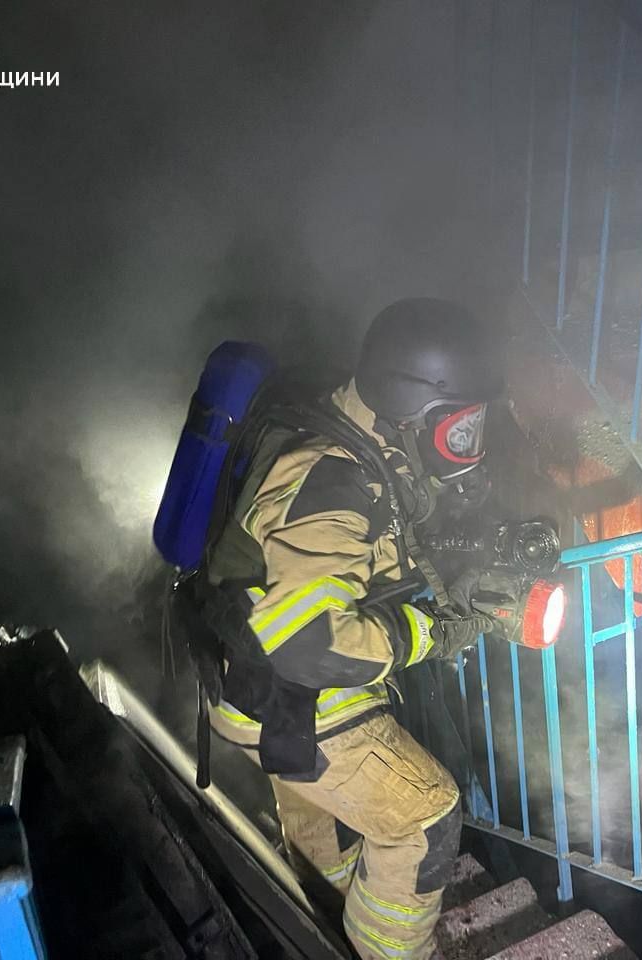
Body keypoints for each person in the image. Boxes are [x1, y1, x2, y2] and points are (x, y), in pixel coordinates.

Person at [197, 298, 501, 960]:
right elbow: (313, 644)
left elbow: (365, 553)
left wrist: (457, 581)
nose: (469, 452)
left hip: (247, 681)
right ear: (411, 411)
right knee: (424, 816)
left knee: (321, 822)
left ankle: (328, 913)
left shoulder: (358, 438)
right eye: (460, 431)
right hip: (286, 692)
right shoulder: (333, 479)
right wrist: (427, 631)